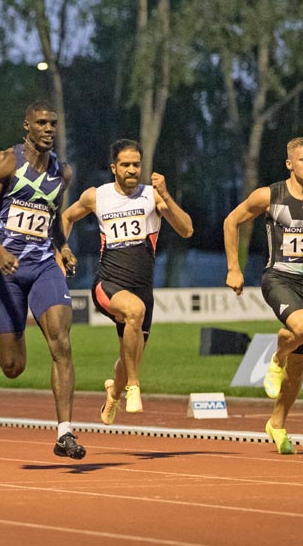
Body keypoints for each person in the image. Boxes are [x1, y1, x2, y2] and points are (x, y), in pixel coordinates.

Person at [0, 100, 85, 460]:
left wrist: (62, 247)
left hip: (44, 268)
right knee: (13, 367)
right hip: (7, 272)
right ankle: (14, 329)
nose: (49, 129)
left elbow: (51, 220)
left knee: (61, 343)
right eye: (42, 123)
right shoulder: (4, 163)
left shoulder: (62, 174)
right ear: (27, 127)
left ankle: (65, 433)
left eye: (53, 123)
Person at [224, 136, 303, 454]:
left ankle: (277, 424)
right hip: (277, 277)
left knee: (300, 367)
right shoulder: (269, 195)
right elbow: (231, 221)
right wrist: (233, 268)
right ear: (289, 164)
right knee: (302, 327)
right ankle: (276, 357)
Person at [61, 139, 193, 424]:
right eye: (125, 165)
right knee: (134, 312)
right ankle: (134, 385)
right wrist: (63, 249)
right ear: (114, 168)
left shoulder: (152, 197)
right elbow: (66, 217)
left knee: (129, 352)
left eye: (136, 165)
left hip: (142, 290)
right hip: (107, 284)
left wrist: (167, 196)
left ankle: (114, 392)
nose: (132, 170)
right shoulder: (97, 196)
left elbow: (186, 230)